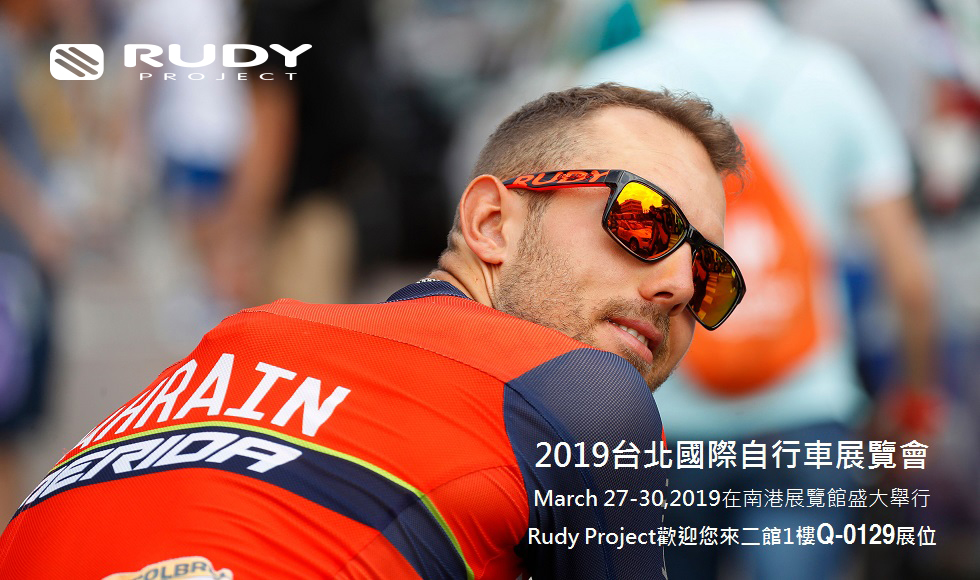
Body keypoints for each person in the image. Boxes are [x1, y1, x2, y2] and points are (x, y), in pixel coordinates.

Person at [0, 84, 746, 579]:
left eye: (710, 272)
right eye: (644, 220)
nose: (680, 285)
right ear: (492, 223)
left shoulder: (239, 341)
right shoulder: (583, 395)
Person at [579, 2, 938, 578]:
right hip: (806, 415)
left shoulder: (611, 87)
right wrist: (913, 399)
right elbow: (911, 280)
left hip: (656, 423)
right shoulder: (830, 76)